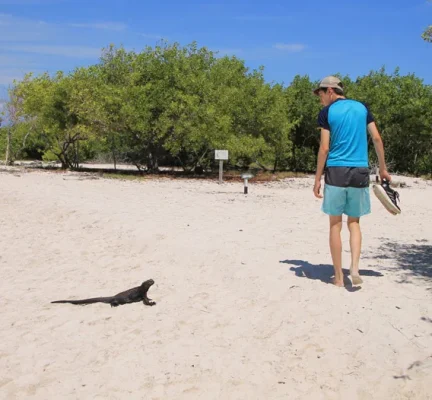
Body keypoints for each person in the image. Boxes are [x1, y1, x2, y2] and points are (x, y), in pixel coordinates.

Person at [312, 76, 391, 287]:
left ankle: (339, 277)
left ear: (330, 91)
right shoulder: (362, 108)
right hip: (360, 171)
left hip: (336, 171)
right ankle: (354, 268)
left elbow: (325, 148)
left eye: (320, 95)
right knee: (354, 223)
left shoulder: (327, 112)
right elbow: (377, 138)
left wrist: (318, 178)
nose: (320, 100)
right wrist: (382, 168)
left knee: (335, 225)